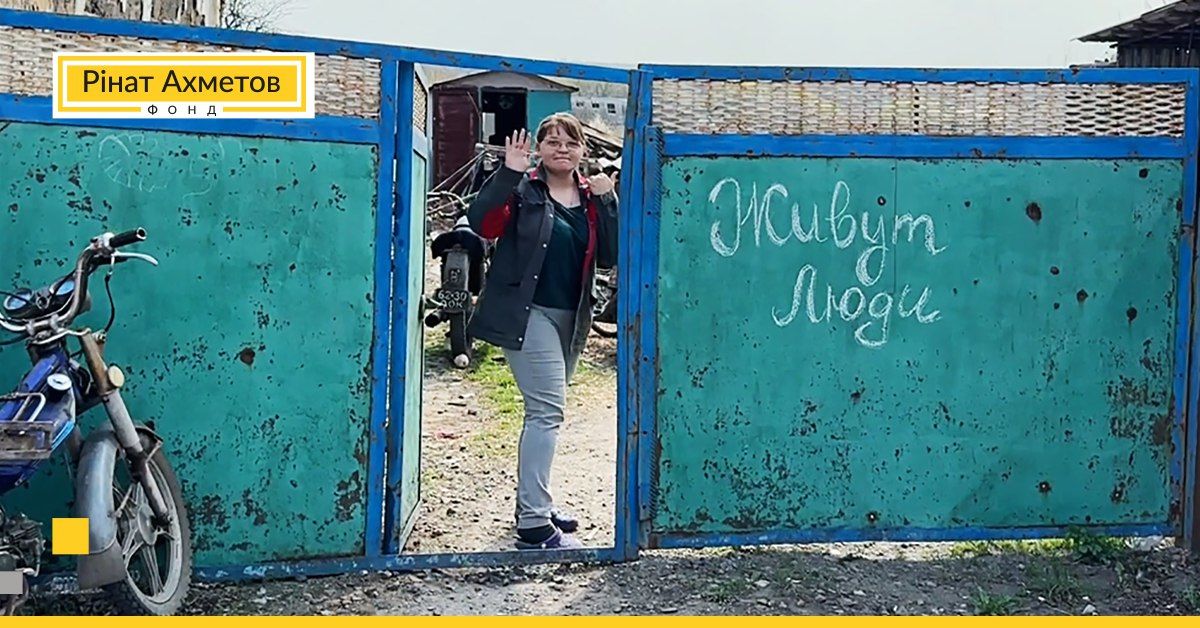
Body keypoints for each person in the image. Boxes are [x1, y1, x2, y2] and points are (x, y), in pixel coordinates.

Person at [465, 113, 618, 550]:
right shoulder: (523, 189)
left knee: (543, 413)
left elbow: (610, 256)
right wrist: (508, 173)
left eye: (570, 142)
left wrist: (609, 202)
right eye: (552, 141)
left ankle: (534, 503)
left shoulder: (590, 196)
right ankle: (534, 525)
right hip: (527, 314)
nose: (561, 149)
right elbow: (483, 223)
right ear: (539, 148)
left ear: (583, 150)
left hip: (572, 317)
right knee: (547, 412)